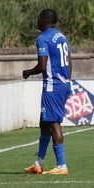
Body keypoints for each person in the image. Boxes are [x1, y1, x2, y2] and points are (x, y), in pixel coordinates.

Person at [23, 8, 72, 175]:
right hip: (62, 84)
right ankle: (38, 163)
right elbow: (69, 60)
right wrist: (67, 81)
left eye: (39, 17)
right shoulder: (61, 36)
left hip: (52, 86)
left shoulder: (43, 38)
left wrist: (28, 72)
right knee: (44, 124)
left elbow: (42, 66)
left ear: (44, 19)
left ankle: (61, 165)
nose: (37, 20)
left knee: (53, 124)